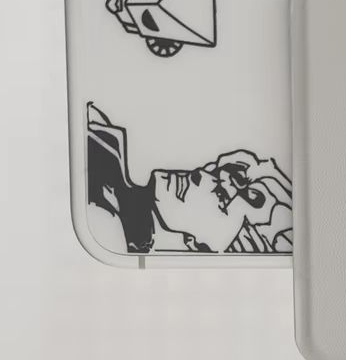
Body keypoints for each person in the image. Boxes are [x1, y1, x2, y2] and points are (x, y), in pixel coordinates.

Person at [85, 103, 292, 255]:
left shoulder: (107, 231)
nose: (200, 175)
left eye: (221, 198)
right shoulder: (106, 145)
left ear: (201, 245)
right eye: (215, 173)